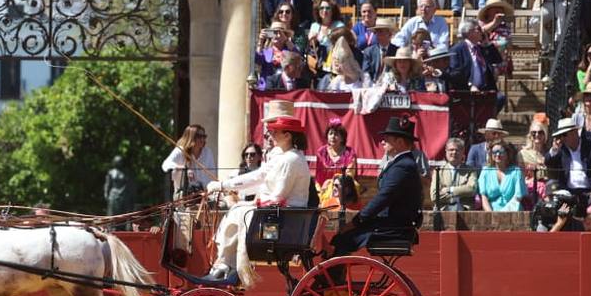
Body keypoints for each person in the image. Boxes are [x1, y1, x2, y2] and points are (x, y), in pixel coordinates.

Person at [204, 114, 312, 283]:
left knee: (239, 211)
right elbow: (258, 177)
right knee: (238, 209)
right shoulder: (285, 156)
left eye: (275, 131)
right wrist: (224, 185)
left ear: (287, 135)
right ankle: (225, 264)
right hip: (280, 214)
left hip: (282, 218)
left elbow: (278, 196)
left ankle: (226, 265)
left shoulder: (290, 160)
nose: (271, 135)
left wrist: (249, 201)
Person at [330, 116, 423, 255]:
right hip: (393, 224)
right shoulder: (402, 163)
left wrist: (357, 221)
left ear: (399, 142)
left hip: (392, 227)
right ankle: (335, 275)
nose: (382, 141)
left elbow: (383, 198)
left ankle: (332, 276)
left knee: (342, 239)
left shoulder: (403, 166)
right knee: (343, 237)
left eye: (387, 138)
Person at [161, 123, 215, 196]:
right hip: (184, 195)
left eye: (204, 136)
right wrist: (184, 169)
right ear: (191, 137)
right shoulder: (180, 150)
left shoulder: (207, 152)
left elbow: (212, 175)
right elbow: (165, 165)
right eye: (199, 136)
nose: (202, 139)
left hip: (204, 194)